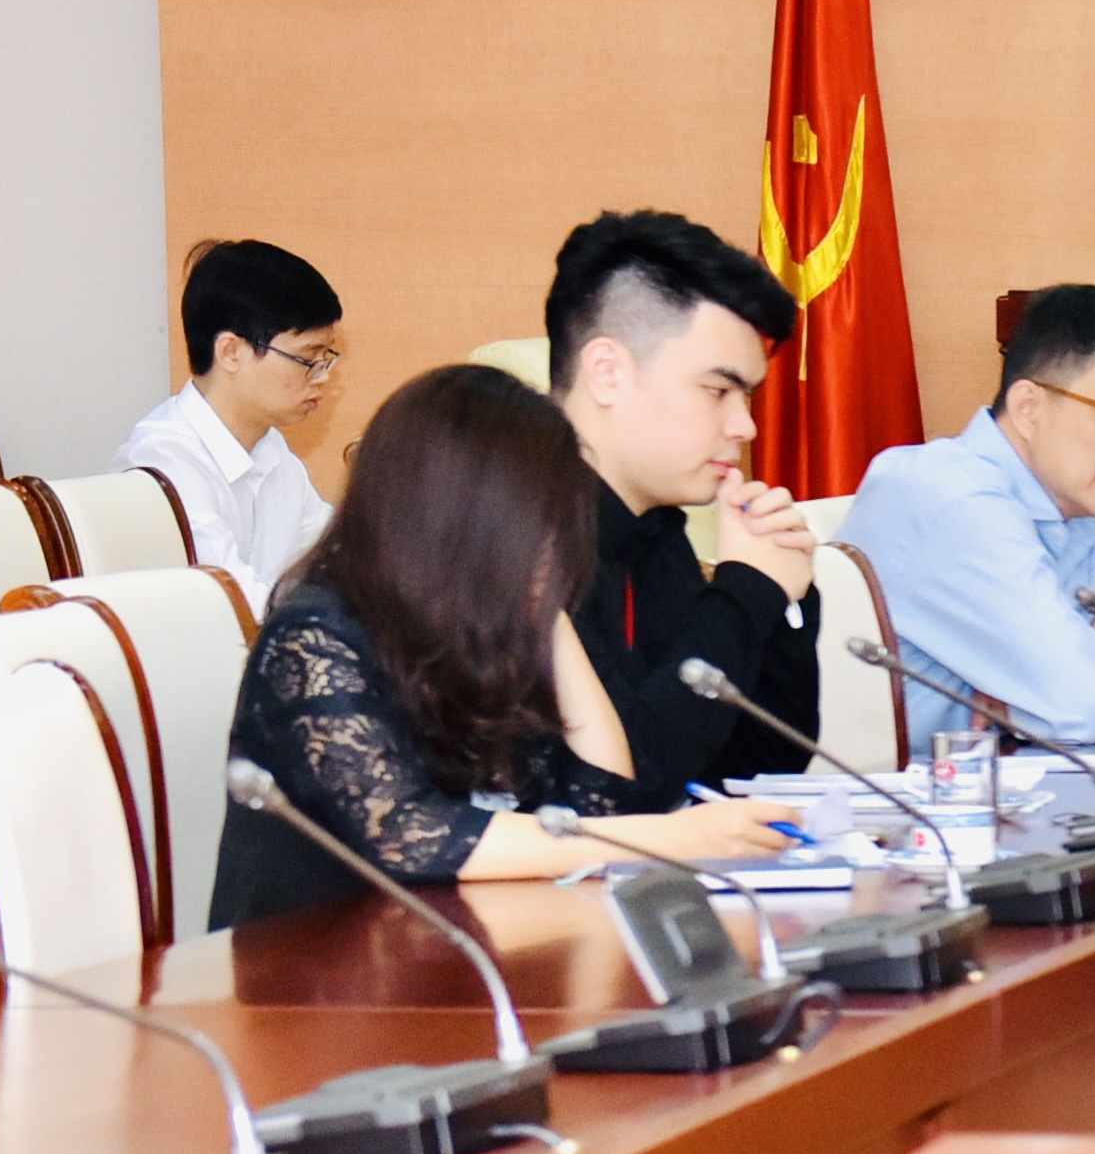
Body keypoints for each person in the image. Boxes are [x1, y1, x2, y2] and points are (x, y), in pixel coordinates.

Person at [215, 365, 788, 928]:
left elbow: (604, 798)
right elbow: (411, 834)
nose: (559, 546)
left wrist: (548, 616)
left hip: (445, 947)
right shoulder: (314, 638)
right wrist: (665, 839)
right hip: (309, 967)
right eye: (541, 521)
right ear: (471, 520)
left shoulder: (477, 626)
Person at [841, 287, 1095, 746]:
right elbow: (1085, 705)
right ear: (1029, 407)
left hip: (1002, 779)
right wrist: (1082, 672)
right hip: (875, 785)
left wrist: (1062, 679)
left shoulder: (1077, 513)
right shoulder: (953, 496)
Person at [543, 209, 820, 791]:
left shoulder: (655, 529)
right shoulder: (512, 536)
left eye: (746, 398)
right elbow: (625, 785)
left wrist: (777, 597)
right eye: (718, 391)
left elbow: (751, 767)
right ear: (607, 373)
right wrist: (747, 592)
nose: (745, 427)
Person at [116, 238, 347, 585]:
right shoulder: (162, 462)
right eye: (307, 359)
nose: (323, 377)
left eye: (326, 359)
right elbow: (227, 600)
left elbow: (338, 559)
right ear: (230, 352)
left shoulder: (273, 452)